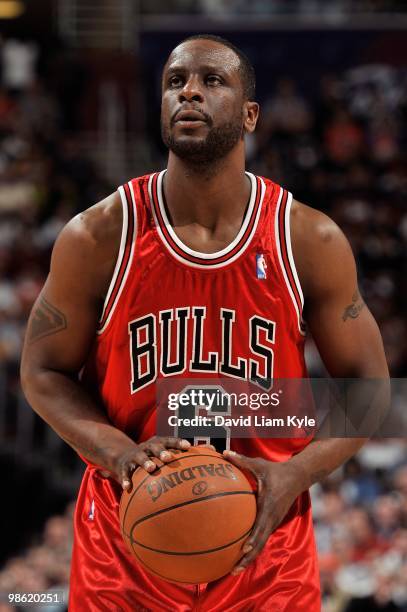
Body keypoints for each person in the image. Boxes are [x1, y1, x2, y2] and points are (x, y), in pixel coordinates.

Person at [20, 34, 388, 611]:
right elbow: (42, 370)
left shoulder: (306, 239)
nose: (189, 91)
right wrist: (117, 453)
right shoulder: (98, 236)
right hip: (125, 550)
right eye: (175, 81)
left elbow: (368, 389)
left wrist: (292, 475)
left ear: (249, 115)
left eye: (211, 80)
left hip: (267, 554)